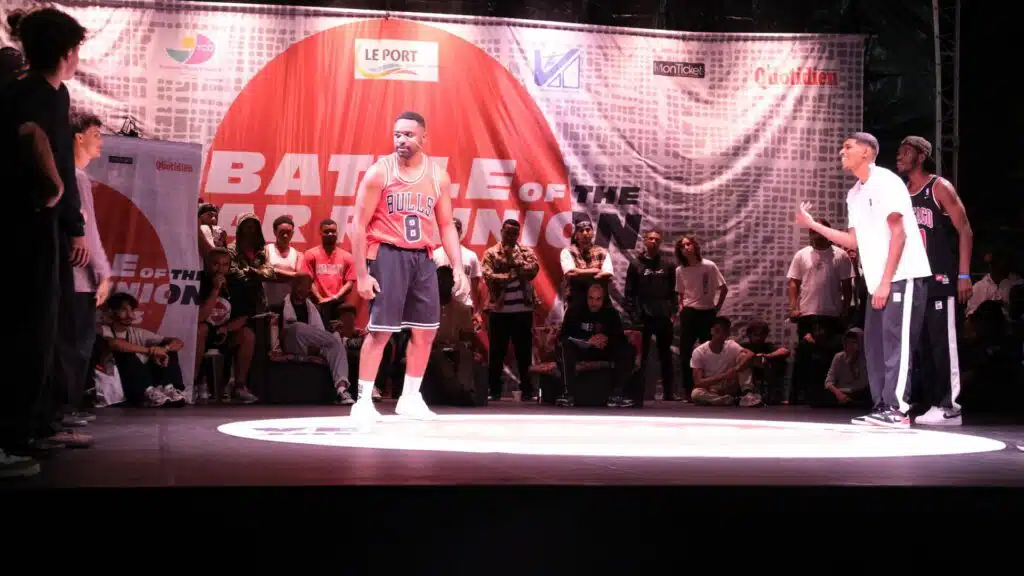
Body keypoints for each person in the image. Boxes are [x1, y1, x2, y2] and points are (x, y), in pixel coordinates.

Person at [1, 7, 89, 477]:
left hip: (46, 227)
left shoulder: (54, 93)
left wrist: (71, 221)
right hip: (26, 226)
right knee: (27, 328)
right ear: (66, 52)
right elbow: (32, 137)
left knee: (49, 327)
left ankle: (35, 425)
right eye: (76, 49)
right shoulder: (29, 93)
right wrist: (54, 189)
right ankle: (10, 437)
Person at [795, 132, 932, 428]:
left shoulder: (886, 182)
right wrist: (813, 224)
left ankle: (897, 409)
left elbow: (899, 233)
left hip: (902, 276)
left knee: (896, 344)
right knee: (875, 345)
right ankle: (882, 405)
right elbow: (852, 241)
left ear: (867, 152)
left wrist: (886, 281)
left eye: (848, 147)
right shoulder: (854, 193)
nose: (841, 152)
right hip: (878, 281)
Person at [348, 111, 467, 427]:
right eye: (397, 134)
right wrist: (362, 274)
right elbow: (358, 225)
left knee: (426, 331)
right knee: (381, 331)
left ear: (424, 137)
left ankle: (410, 397)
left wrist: (458, 267)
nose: (401, 140)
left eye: (408, 135)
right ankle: (363, 400)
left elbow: (446, 224)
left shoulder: (438, 176)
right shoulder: (379, 172)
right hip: (388, 254)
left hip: (423, 257)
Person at [897, 135, 974, 426]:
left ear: (921, 156)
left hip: (941, 278)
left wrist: (963, 274)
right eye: (899, 151)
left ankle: (951, 406)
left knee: (943, 344)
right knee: (923, 347)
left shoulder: (939, 187)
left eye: (906, 151)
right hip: (914, 281)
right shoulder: (902, 192)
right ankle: (934, 402)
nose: (899, 156)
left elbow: (965, 230)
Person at [66, 112, 112, 423]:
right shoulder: (77, 177)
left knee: (71, 346)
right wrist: (103, 273)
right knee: (75, 347)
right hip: (78, 278)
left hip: (72, 277)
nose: (101, 141)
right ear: (78, 137)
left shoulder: (72, 176)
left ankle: (62, 410)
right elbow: (88, 231)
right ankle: (63, 411)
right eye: (95, 134)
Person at [624, 230, 676, 406]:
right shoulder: (636, 264)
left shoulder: (668, 265)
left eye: (657, 239)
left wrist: (672, 311)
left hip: (663, 316)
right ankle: (637, 392)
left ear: (660, 243)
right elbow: (629, 292)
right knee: (641, 356)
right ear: (645, 241)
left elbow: (673, 291)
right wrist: (633, 314)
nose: (653, 241)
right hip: (643, 317)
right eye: (650, 238)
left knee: (666, 355)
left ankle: (669, 393)